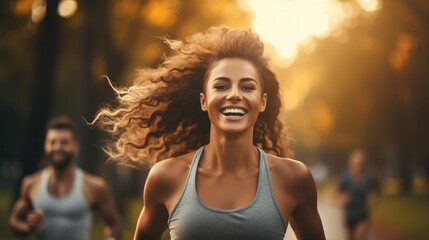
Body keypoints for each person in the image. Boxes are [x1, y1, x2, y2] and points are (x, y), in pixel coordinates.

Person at [94, 26, 325, 239]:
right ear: (204, 101)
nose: (234, 94)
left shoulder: (293, 178)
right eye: (221, 86)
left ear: (262, 102)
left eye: (247, 87)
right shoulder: (166, 177)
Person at [9, 115, 122, 240]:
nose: (58, 147)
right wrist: (27, 227)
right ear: (46, 146)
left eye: (64, 142)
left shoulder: (94, 186)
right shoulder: (31, 184)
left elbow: (115, 224)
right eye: (53, 142)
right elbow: (14, 221)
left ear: (76, 147)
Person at [336, 149, 380, 240]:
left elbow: (374, 189)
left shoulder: (368, 177)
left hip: (362, 215)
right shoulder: (346, 177)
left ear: (364, 164)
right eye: (356, 163)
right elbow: (335, 195)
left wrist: (374, 197)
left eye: (361, 163)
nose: (359, 165)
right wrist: (343, 198)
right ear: (352, 163)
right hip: (349, 216)